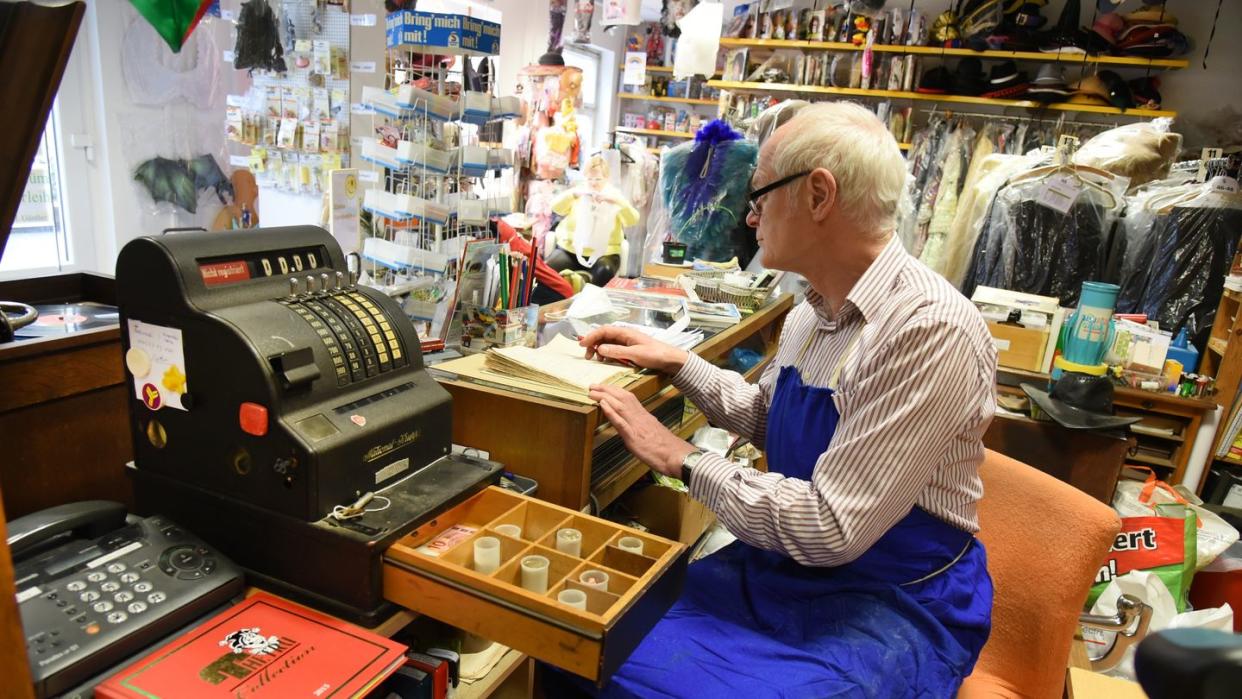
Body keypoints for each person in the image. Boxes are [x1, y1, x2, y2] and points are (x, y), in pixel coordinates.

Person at [578, 102, 998, 697]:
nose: (751, 219)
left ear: (819, 196)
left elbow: (831, 525)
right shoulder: (812, 315)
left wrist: (684, 459)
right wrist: (680, 364)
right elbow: (769, 419)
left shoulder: (926, 331)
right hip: (791, 571)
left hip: (894, 601)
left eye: (760, 197)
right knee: (587, 644)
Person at [546, 154, 639, 286]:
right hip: (570, 250)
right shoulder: (578, 193)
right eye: (590, 179)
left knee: (604, 271)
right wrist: (573, 194)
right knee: (549, 269)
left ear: (606, 178)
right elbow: (555, 207)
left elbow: (632, 220)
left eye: (598, 179)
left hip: (605, 254)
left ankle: (590, 304)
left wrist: (616, 202)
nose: (593, 183)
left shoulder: (615, 197)